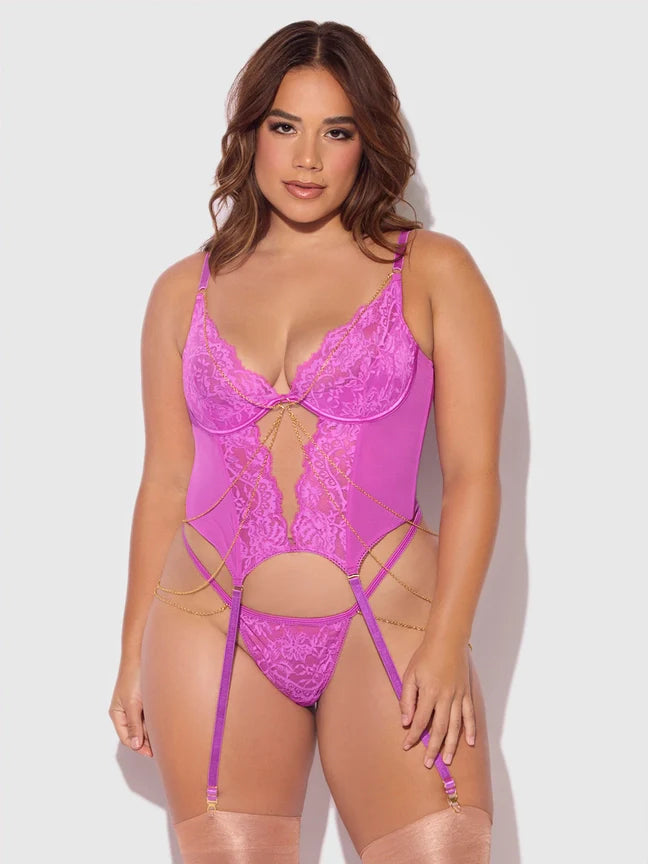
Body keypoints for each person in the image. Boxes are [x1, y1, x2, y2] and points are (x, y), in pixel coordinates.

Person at [108, 19, 504, 864]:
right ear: (250, 131)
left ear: (369, 142)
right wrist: (130, 650)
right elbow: (165, 480)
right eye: (285, 126)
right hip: (208, 624)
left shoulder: (433, 270)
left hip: (388, 620)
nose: (308, 159)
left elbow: (474, 473)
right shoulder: (182, 291)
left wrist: (449, 642)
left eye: (338, 132)